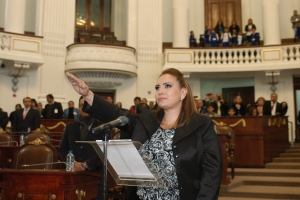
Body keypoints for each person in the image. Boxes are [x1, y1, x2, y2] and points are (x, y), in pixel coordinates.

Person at [66, 68, 222, 200]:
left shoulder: (201, 124)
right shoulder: (146, 120)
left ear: (183, 92)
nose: (160, 91)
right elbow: (116, 114)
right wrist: (88, 95)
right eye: (157, 87)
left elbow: (212, 172)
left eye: (167, 86)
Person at [59, 96, 104, 200]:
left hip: (94, 176)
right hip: (73, 176)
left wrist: (87, 164)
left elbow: (106, 152)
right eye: (81, 105)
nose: (84, 108)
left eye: (87, 105)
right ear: (78, 108)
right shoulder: (70, 127)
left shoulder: (103, 127)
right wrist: (73, 163)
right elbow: (62, 149)